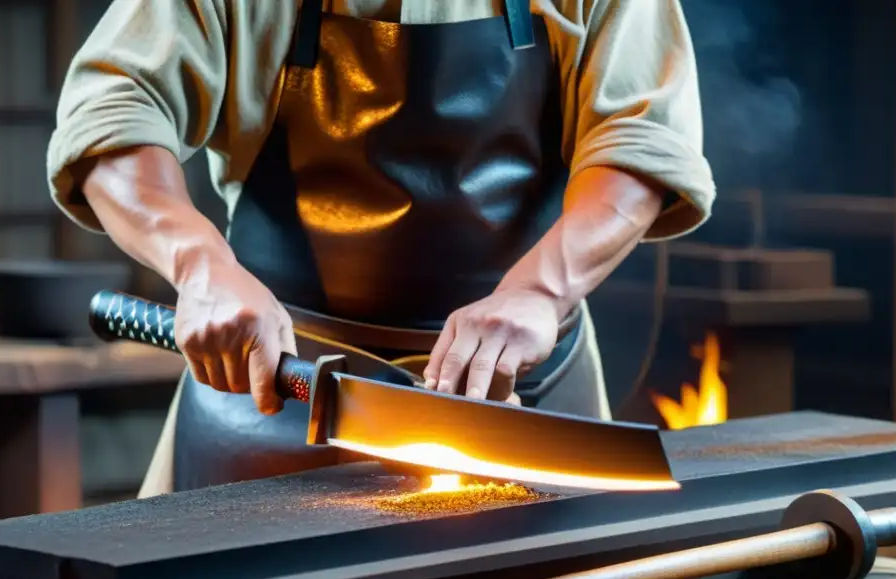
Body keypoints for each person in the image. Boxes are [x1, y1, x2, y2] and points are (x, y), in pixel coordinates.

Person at [48, 0, 715, 497]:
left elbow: (642, 139)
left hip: (520, 402)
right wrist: (202, 269)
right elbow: (113, 110)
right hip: (277, 385)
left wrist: (538, 290)